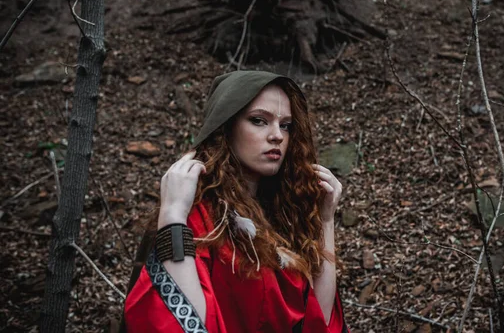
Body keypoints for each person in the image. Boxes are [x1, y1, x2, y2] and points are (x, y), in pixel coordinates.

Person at [123, 70, 349, 332]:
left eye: (285, 125)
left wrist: (326, 220)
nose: (277, 135)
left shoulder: (285, 216)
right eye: (258, 120)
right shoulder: (199, 215)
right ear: (226, 126)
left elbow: (317, 321)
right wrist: (173, 216)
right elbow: (183, 324)